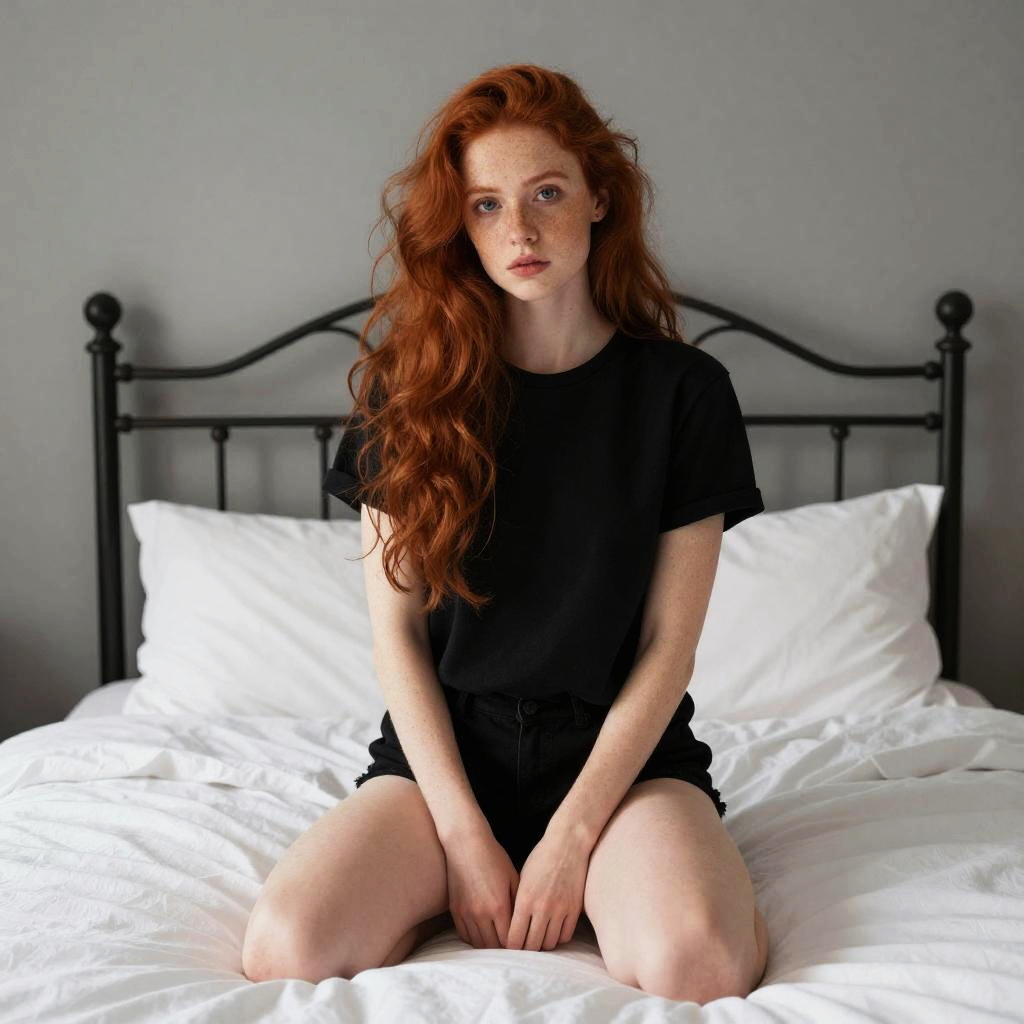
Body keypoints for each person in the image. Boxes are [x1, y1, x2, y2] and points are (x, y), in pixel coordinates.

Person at [242, 62, 769, 1003]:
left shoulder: (684, 394)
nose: (518, 229)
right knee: (286, 947)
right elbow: (397, 638)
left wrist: (571, 838)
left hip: (621, 762)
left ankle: (628, 877)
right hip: (449, 756)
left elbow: (668, 647)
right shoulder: (408, 391)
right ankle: (439, 888)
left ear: (599, 198)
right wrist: (462, 836)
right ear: (461, 224)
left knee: (698, 965)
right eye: (486, 205)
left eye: (546, 193)